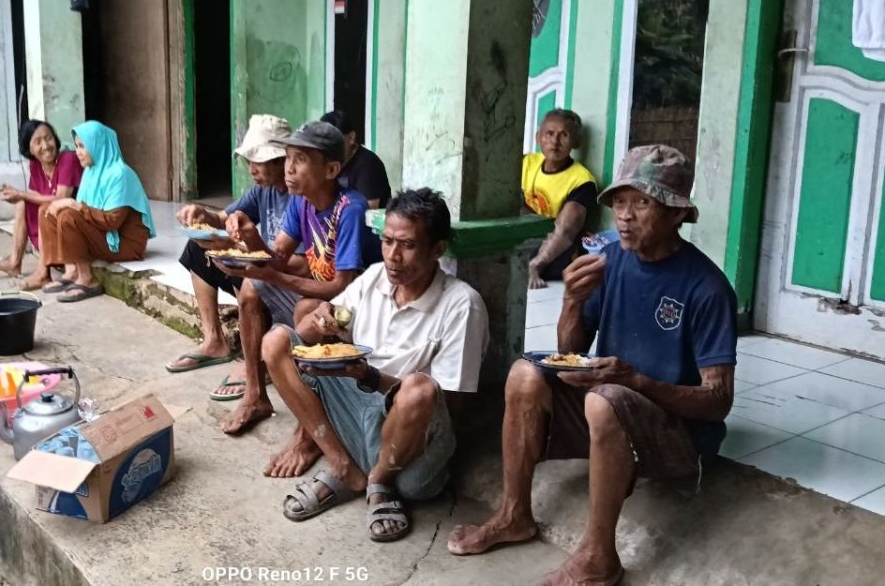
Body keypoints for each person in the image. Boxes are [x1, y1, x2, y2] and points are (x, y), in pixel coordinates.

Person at [447, 145, 737, 586]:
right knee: (525, 373)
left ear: (677, 214)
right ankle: (514, 514)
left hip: (678, 438)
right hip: (609, 413)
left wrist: (637, 380)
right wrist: (571, 303)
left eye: (643, 203)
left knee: (606, 399)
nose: (625, 215)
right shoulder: (612, 261)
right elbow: (572, 350)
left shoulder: (708, 287)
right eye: (620, 202)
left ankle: (600, 557)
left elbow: (719, 401)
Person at [261, 188, 487, 542]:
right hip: (359, 410)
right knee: (277, 341)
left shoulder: (462, 305)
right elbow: (302, 337)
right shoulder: (374, 278)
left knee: (420, 388)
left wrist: (370, 376)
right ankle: (343, 465)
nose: (393, 256)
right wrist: (319, 323)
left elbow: (451, 406)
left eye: (407, 245)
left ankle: (378, 480)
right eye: (387, 241)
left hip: (413, 445)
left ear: (438, 249)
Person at [212, 121, 381, 435]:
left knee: (307, 309)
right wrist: (250, 238)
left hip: (352, 310)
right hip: (319, 296)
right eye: (287, 157)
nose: (288, 168)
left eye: (300, 160)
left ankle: (310, 430)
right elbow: (276, 258)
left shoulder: (350, 209)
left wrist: (273, 274)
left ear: (331, 170)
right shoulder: (301, 201)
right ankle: (255, 394)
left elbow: (341, 288)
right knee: (250, 287)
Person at [166, 114, 293, 376]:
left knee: (247, 272)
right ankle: (214, 340)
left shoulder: (298, 195)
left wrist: (244, 247)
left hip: (284, 273)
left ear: (282, 160)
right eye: (249, 161)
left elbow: (286, 259)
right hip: (265, 262)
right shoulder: (262, 190)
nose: (251, 169)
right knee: (197, 248)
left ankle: (256, 363)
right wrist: (204, 215)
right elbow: (223, 217)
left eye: (258, 161)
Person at [38, 121, 156, 303]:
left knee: (69, 215)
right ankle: (71, 271)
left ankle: (88, 280)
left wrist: (75, 205)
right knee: (48, 211)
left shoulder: (120, 174)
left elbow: (111, 222)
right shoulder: (91, 171)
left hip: (124, 243)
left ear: (98, 145)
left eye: (83, 146)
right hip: (104, 235)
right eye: (77, 146)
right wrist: (71, 206)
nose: (78, 152)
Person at [0, 119, 83, 286]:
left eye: (49, 138)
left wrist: (20, 193)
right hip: (50, 232)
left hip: (72, 232)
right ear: (29, 149)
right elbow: (31, 196)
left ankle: (42, 273)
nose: (46, 146)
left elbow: (61, 198)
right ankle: (14, 263)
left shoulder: (68, 159)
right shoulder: (35, 166)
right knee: (22, 204)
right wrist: (14, 196)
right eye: (38, 142)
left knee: (42, 205)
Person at [522, 109, 597, 289]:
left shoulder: (582, 180)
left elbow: (565, 231)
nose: (554, 142)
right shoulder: (526, 162)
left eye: (564, 135)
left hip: (557, 242)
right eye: (549, 134)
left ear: (576, 142)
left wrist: (536, 264)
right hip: (525, 235)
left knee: (566, 257)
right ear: (538, 137)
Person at [320, 110, 392, 208]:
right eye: (324, 143)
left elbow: (369, 208)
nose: (328, 148)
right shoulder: (330, 163)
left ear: (351, 138)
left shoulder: (368, 164)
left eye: (334, 141)